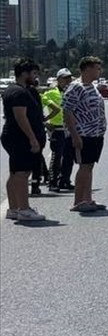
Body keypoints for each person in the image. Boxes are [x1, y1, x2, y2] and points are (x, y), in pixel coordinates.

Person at [2, 58, 45, 222]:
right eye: (33, 73)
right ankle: (24, 209)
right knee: (21, 173)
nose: (36, 77)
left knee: (15, 172)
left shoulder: (25, 90)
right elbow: (21, 117)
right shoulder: (18, 92)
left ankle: (13, 208)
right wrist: (32, 138)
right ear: (24, 74)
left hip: (18, 137)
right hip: (19, 137)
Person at [62, 56, 107, 212]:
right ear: (87, 69)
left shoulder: (92, 86)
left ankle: (87, 199)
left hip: (95, 134)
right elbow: (67, 111)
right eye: (97, 68)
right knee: (84, 166)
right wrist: (74, 135)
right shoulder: (76, 87)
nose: (99, 71)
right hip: (83, 134)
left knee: (89, 166)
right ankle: (78, 201)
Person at [42, 69, 76, 193]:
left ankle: (65, 180)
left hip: (71, 128)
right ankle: (53, 182)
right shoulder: (50, 93)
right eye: (65, 78)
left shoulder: (73, 92)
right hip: (57, 128)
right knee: (57, 156)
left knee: (69, 156)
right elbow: (39, 109)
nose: (68, 80)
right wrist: (45, 122)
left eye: (69, 78)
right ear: (59, 79)